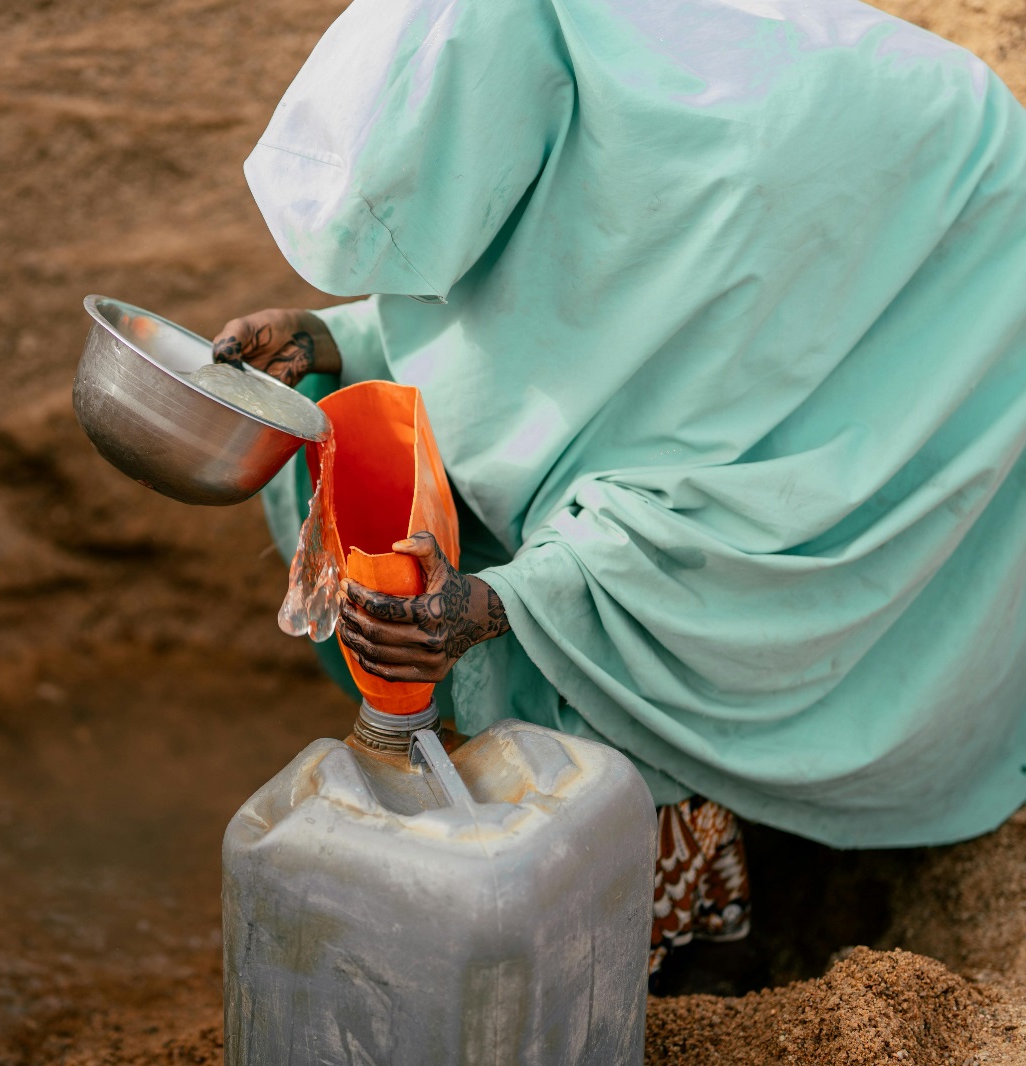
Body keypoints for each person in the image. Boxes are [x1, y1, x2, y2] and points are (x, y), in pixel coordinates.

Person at [212, 0, 1026, 977]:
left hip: (948, 278)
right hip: (762, 256)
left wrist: (496, 603)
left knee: (627, 643)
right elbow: (546, 299)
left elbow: (717, 509)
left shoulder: (724, 196)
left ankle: (687, 945)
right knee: (362, 421)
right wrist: (334, 336)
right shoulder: (556, 82)